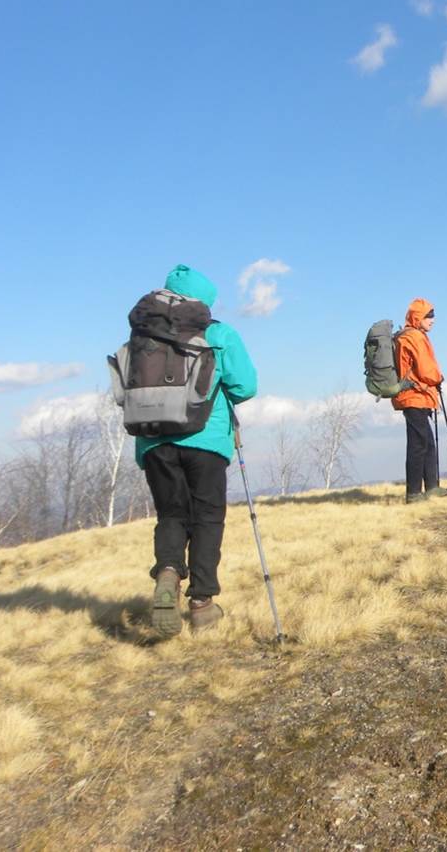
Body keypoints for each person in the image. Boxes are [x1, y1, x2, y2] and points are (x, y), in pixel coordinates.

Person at [133, 264, 257, 637]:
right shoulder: (218, 333)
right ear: (204, 301)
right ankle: (202, 604)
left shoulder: (143, 334)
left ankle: (169, 572)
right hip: (206, 438)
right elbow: (245, 386)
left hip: (154, 441)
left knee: (171, 515)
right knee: (206, 518)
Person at [393, 298, 443, 502]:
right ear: (418, 317)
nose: (433, 320)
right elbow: (426, 370)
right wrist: (438, 378)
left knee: (426, 443)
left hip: (416, 396)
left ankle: (431, 488)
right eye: (429, 316)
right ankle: (413, 493)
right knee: (418, 445)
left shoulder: (408, 335)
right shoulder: (414, 337)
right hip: (414, 396)